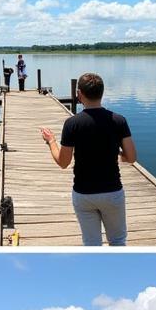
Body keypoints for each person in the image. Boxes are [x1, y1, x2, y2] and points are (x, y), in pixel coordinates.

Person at [40, 72, 137, 246]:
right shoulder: (119, 121)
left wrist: (51, 141)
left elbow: (63, 162)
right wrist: (117, 153)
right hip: (112, 192)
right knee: (118, 241)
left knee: (91, 244)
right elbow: (131, 157)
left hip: (84, 194)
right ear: (102, 93)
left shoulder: (72, 124)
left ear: (79, 94)